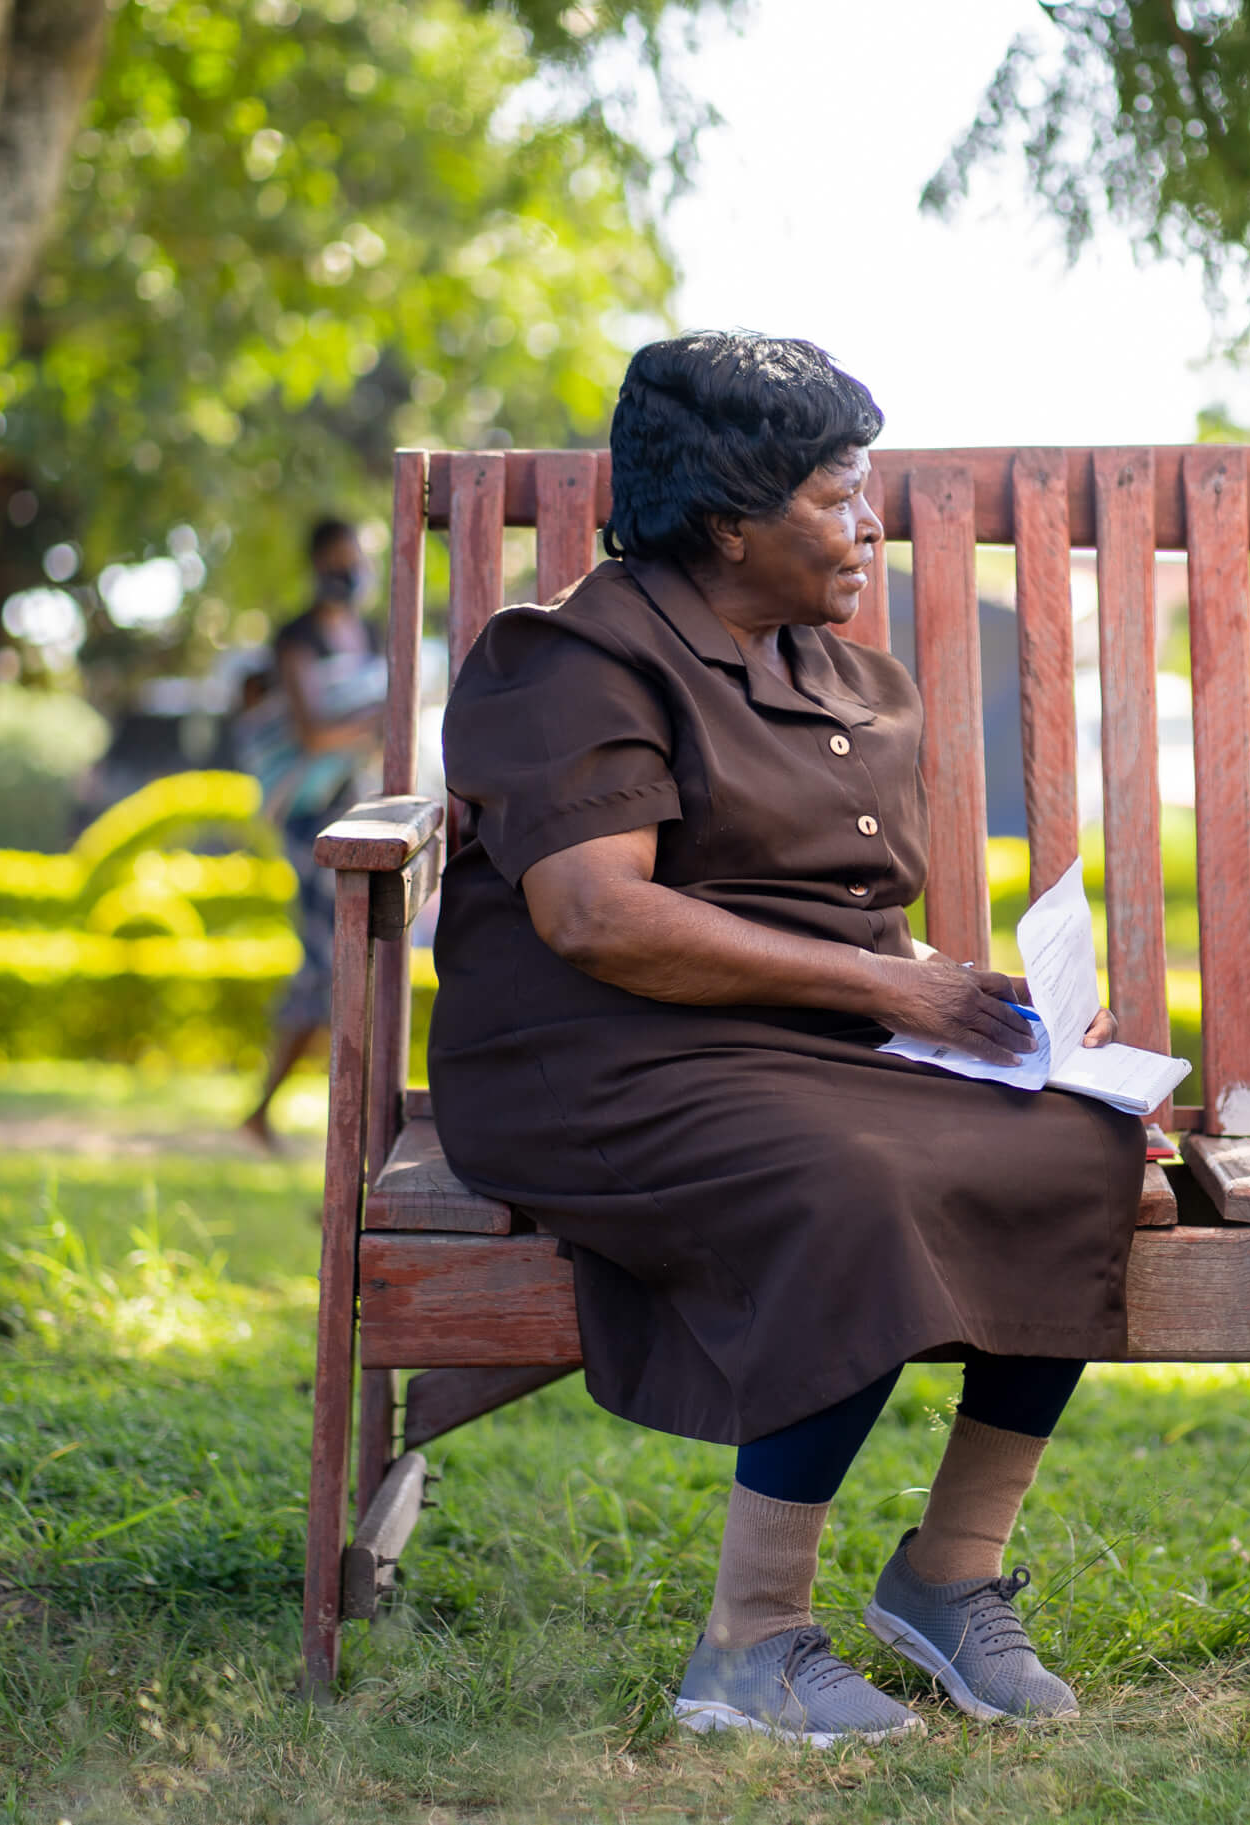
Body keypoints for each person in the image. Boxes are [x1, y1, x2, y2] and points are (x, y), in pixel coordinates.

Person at [426, 332, 1144, 1746]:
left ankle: (949, 1575)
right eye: (836, 498)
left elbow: (844, 932)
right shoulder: (571, 661)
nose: (866, 525)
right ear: (726, 519)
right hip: (598, 1057)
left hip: (799, 1046)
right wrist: (892, 998)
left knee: (1081, 1139)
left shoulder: (844, 682)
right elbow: (595, 918)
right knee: (848, 1182)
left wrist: (986, 1009)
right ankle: (748, 1643)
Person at [241, 517, 387, 1151]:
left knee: (338, 963)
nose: (347, 574)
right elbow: (311, 733)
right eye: (337, 562)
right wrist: (378, 720)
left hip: (349, 806)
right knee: (331, 965)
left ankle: (282, 1112)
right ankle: (326, 1117)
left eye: (354, 561)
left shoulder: (373, 633)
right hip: (305, 815)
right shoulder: (297, 638)